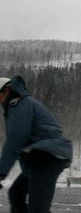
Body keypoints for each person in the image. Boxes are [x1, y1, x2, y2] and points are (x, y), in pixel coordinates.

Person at [0, 75, 73, 213]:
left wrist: (1, 173)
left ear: (7, 90)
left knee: (37, 209)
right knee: (16, 193)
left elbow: (15, 140)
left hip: (47, 157)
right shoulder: (20, 104)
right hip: (40, 159)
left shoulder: (19, 104)